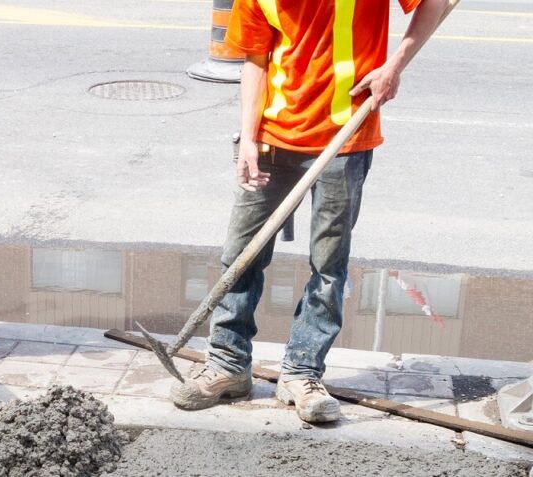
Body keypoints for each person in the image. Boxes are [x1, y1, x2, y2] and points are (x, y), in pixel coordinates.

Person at [170, 0, 450, 423]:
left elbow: (438, 2)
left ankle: (302, 373)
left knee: (328, 265)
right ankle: (228, 365)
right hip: (273, 136)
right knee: (240, 256)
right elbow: (256, 61)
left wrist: (395, 65)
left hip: (345, 135)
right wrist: (247, 139)